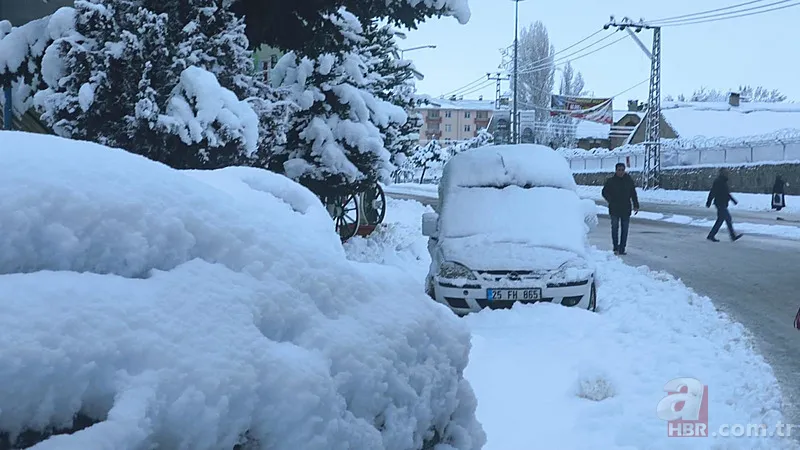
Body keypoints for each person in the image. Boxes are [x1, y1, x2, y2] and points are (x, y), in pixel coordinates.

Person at [601, 163, 639, 255]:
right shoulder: (611, 181)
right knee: (615, 228)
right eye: (619, 170)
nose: (621, 172)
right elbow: (604, 192)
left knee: (625, 229)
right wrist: (611, 200)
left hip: (626, 208)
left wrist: (636, 205)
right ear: (616, 170)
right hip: (614, 209)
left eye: (622, 170)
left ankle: (622, 248)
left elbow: (633, 193)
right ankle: (615, 247)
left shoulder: (628, 181)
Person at [706, 168, 743, 242]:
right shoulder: (718, 181)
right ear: (722, 173)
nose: (727, 174)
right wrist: (709, 201)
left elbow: (727, 194)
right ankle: (732, 236)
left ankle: (711, 235)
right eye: (726, 173)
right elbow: (713, 191)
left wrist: (733, 200)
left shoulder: (723, 181)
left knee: (720, 220)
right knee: (727, 219)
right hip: (720, 203)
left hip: (722, 203)